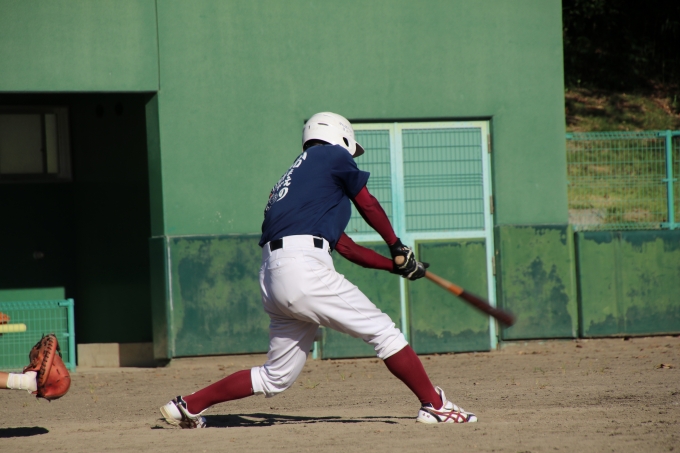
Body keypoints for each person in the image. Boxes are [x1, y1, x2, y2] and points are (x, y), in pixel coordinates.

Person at [160, 112, 478, 428]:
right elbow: (367, 203)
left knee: (275, 376)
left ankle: (187, 405)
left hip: (274, 275)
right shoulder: (331, 154)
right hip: (302, 267)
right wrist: (396, 246)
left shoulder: (295, 181)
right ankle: (435, 406)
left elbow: (348, 248)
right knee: (384, 332)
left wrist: (396, 267)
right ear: (340, 136)